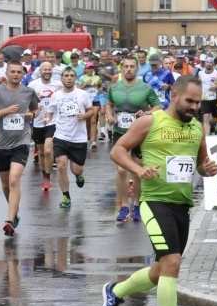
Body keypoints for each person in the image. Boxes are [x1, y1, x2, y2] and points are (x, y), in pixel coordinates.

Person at [101, 75, 217, 306]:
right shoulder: (150, 122)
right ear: (174, 96)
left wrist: (206, 169)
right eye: (190, 101)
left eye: (198, 102)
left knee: (159, 271)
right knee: (172, 263)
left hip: (182, 204)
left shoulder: (196, 128)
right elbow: (117, 151)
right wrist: (138, 170)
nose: (194, 106)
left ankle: (114, 292)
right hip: (155, 202)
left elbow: (200, 165)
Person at [0, 60, 39, 236]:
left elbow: (36, 109)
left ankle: (9, 220)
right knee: (6, 184)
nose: (15, 74)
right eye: (12, 72)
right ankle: (14, 211)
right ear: (6, 73)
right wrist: (5, 111)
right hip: (1, 145)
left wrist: (32, 114)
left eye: (18, 72)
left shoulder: (28, 92)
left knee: (14, 180)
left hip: (21, 143)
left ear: (23, 74)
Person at [106, 57, 161, 222]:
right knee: (121, 170)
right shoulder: (115, 87)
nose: (129, 69)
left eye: (132, 66)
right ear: (122, 68)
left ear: (137, 69)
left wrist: (147, 113)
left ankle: (137, 205)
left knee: (137, 170)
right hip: (120, 132)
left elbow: (158, 106)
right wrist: (109, 115)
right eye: (126, 66)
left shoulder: (145, 88)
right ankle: (123, 206)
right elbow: (109, 104)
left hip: (138, 133)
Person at [42, 67, 94, 208]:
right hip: (61, 136)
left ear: (75, 78)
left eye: (71, 75)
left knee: (76, 169)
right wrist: (47, 118)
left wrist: (85, 115)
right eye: (66, 75)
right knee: (61, 165)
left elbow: (91, 110)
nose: (69, 78)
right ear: (62, 78)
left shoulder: (82, 94)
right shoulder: (56, 95)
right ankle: (66, 196)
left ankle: (79, 175)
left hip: (79, 138)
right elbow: (50, 111)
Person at [28, 61, 63, 190]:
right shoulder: (32, 85)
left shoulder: (58, 85)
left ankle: (48, 177)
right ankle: (44, 176)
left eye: (49, 69)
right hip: (38, 122)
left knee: (48, 151)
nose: (47, 72)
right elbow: (27, 102)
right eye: (45, 70)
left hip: (53, 122)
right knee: (41, 153)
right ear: (40, 71)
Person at [77, 61, 103, 151]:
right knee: (87, 122)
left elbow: (100, 87)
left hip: (95, 100)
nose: (90, 69)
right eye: (88, 68)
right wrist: (85, 84)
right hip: (85, 102)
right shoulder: (82, 78)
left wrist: (99, 89)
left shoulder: (97, 78)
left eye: (91, 68)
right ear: (85, 69)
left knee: (93, 120)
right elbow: (78, 89)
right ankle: (88, 138)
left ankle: (93, 141)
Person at [197, 57, 217, 135]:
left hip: (214, 98)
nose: (209, 64)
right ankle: (207, 136)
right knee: (205, 117)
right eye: (207, 62)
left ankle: (213, 126)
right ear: (205, 63)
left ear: (213, 64)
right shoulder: (200, 73)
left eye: (210, 62)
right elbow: (199, 83)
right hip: (204, 98)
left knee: (214, 119)